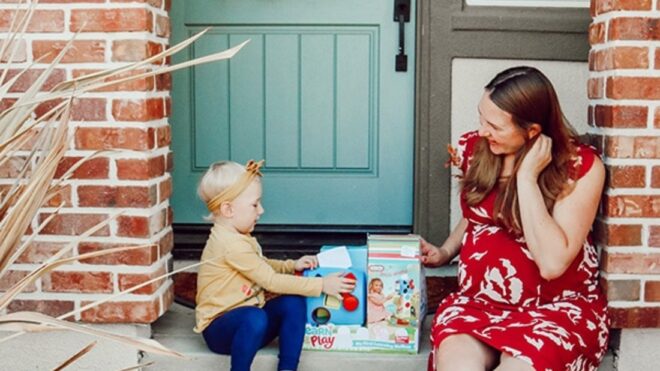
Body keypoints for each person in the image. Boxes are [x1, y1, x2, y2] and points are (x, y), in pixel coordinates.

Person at [421, 66, 609, 371]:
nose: (483, 131)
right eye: (481, 118)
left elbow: (552, 263)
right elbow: (477, 216)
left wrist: (526, 179)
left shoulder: (580, 167)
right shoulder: (477, 148)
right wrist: (445, 251)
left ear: (532, 130)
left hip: (554, 310)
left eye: (494, 126)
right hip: (477, 304)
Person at [194, 160, 355, 371]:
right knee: (254, 317)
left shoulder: (239, 236)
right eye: (254, 204)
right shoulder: (229, 244)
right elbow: (270, 281)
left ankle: (287, 368)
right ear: (228, 209)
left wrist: (291, 265)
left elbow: (261, 265)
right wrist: (321, 285)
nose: (261, 210)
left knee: (293, 303)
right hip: (221, 331)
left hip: (251, 323)